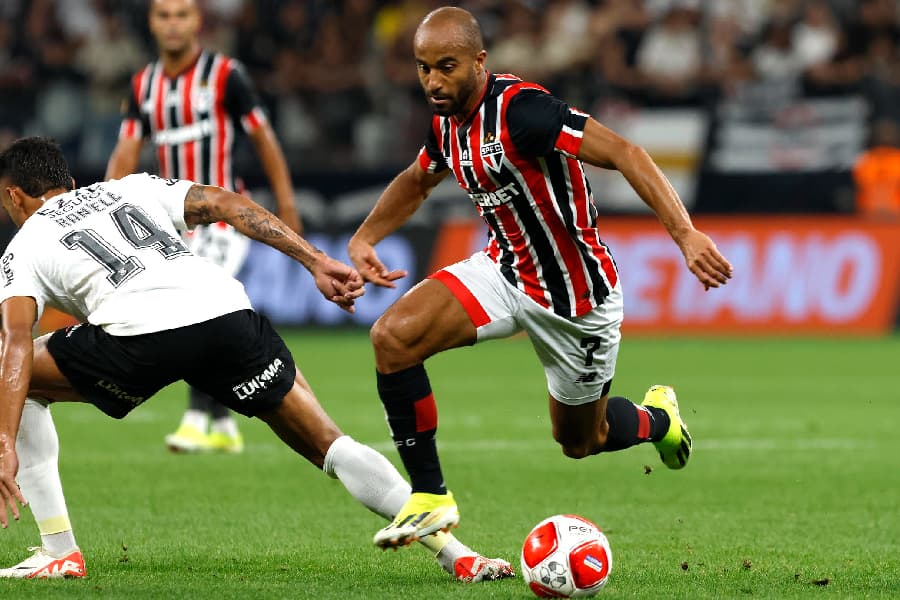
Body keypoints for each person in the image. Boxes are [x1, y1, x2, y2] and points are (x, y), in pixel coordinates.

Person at [0, 137, 513, 582]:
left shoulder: (23, 246)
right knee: (328, 445)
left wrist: (4, 439)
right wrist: (314, 260)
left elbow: (17, 344)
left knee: (22, 384)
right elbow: (223, 202)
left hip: (139, 337)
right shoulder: (126, 188)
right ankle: (458, 555)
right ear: (68, 179)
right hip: (225, 313)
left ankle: (59, 551)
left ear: (13, 196)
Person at [347, 6, 734, 549]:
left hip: (576, 299)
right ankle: (430, 496)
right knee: (392, 338)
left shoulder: (523, 110)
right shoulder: (446, 122)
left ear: (480, 62)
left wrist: (686, 234)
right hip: (503, 271)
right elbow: (416, 181)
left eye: (447, 66)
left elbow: (626, 152)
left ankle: (657, 420)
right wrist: (365, 238)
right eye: (423, 68)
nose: (433, 81)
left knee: (581, 440)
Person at [105, 0, 302, 454]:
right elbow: (126, 150)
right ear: (152, 23)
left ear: (198, 21)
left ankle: (196, 417)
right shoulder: (143, 85)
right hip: (169, 219)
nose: (173, 24)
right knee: (202, 311)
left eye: (182, 14)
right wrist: (108, 201)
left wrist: (287, 206)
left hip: (222, 215)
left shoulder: (226, 75)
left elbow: (264, 140)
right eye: (163, 15)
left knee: (192, 307)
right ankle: (222, 423)